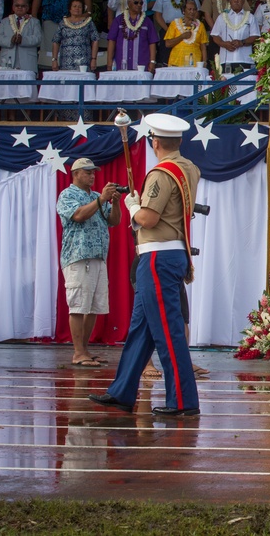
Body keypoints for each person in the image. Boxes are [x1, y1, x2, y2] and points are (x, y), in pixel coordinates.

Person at [89, 114, 202, 417]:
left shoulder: (161, 173)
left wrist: (133, 206)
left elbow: (148, 219)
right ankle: (123, 390)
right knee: (141, 329)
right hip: (168, 254)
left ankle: (183, 401)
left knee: (167, 330)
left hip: (157, 257)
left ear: (155, 142)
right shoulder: (189, 168)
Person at [57, 157, 122, 369]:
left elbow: (113, 221)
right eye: (87, 172)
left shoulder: (95, 196)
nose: (92, 175)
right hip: (78, 256)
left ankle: (84, 350)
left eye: (93, 172)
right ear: (75, 174)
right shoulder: (67, 195)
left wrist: (115, 202)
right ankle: (77, 352)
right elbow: (78, 215)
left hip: (98, 256)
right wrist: (102, 199)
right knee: (77, 305)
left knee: (93, 306)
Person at [211, 0, 260, 72]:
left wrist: (242, 42)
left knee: (245, 85)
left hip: (245, 60)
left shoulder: (250, 17)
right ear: (230, 1)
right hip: (226, 60)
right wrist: (224, 44)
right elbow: (215, 35)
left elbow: (255, 36)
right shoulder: (222, 17)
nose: (236, 1)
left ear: (243, 1)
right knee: (226, 85)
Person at [107, 0, 158, 72]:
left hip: (142, 66)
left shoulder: (147, 21)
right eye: (136, 2)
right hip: (122, 65)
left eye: (141, 3)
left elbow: (152, 42)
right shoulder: (119, 20)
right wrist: (109, 62)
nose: (139, 5)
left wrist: (152, 62)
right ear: (128, 3)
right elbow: (112, 41)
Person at [51, 0, 98, 71]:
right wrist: (54, 60)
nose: (77, 8)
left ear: (83, 9)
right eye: (74, 6)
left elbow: (95, 40)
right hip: (66, 61)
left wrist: (94, 59)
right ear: (70, 9)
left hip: (84, 61)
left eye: (79, 7)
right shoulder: (63, 23)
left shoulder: (88, 22)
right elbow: (56, 41)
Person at [0, 0, 39, 71]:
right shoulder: (5, 21)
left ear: (27, 8)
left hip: (27, 62)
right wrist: (10, 40)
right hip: (8, 60)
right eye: (17, 5)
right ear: (13, 7)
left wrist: (23, 40)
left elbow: (38, 39)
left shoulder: (34, 22)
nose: (19, 8)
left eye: (23, 6)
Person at [164, 0, 207, 66]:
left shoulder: (200, 25)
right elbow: (168, 44)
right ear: (183, 10)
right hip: (176, 62)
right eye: (189, 9)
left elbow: (203, 46)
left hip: (195, 63)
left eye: (194, 9)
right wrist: (182, 37)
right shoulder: (174, 23)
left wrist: (204, 62)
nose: (192, 11)